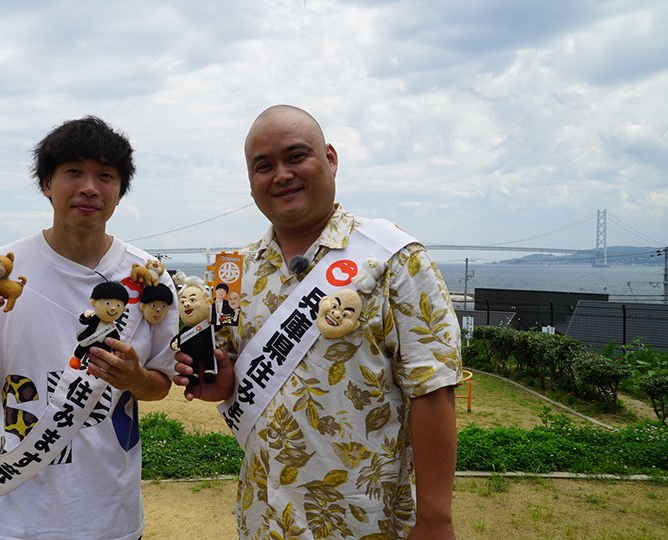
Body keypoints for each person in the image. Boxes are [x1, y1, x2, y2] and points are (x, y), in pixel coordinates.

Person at [174, 105, 462, 539]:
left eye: (296, 157)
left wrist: (435, 519)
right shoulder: (233, 274)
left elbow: (432, 390)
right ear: (250, 182)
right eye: (264, 166)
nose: (282, 175)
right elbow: (234, 380)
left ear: (330, 158)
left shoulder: (394, 258)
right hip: (264, 519)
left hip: (369, 522)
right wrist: (220, 382)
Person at [0, 116, 178, 540]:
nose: (90, 187)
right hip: (15, 516)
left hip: (110, 514)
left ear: (119, 192)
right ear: (47, 184)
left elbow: (160, 384)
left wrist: (135, 378)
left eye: (105, 176)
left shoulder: (150, 279)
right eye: (73, 172)